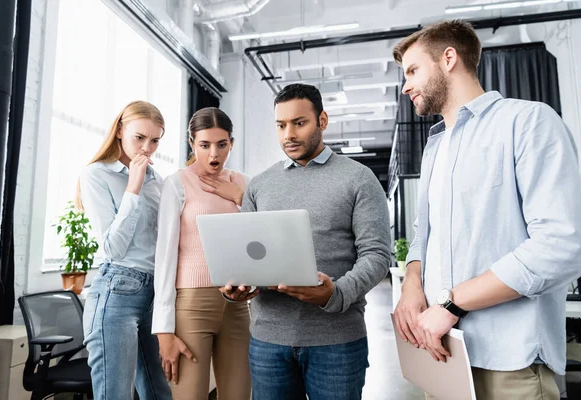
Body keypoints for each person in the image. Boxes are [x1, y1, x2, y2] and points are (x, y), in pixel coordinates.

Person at [392, 20, 581, 399]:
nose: (405, 85)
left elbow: (564, 245)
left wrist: (452, 303)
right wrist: (412, 283)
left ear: (449, 58)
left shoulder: (528, 122)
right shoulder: (435, 148)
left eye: (413, 70)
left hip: (509, 363)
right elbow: (424, 235)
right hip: (443, 354)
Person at [221, 83, 391, 400]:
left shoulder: (359, 178)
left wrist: (336, 293)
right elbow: (251, 257)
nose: (289, 134)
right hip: (268, 341)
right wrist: (242, 286)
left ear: (322, 120)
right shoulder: (260, 185)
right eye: (281, 125)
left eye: (299, 123)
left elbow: (377, 255)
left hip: (337, 341)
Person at [152, 107, 253, 400]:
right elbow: (165, 257)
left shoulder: (244, 183)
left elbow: (261, 241)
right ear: (191, 143)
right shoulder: (177, 183)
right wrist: (163, 331)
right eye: (204, 145)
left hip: (238, 306)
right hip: (192, 307)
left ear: (231, 143)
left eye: (222, 145)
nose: (214, 154)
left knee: (238, 396)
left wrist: (238, 197)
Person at [78, 101, 172, 400]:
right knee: (115, 394)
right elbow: (112, 248)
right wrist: (133, 185)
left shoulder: (158, 181)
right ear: (120, 130)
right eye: (139, 137)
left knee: (160, 393)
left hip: (155, 294)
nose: (147, 148)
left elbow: (166, 242)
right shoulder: (96, 174)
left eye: (155, 140)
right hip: (117, 290)